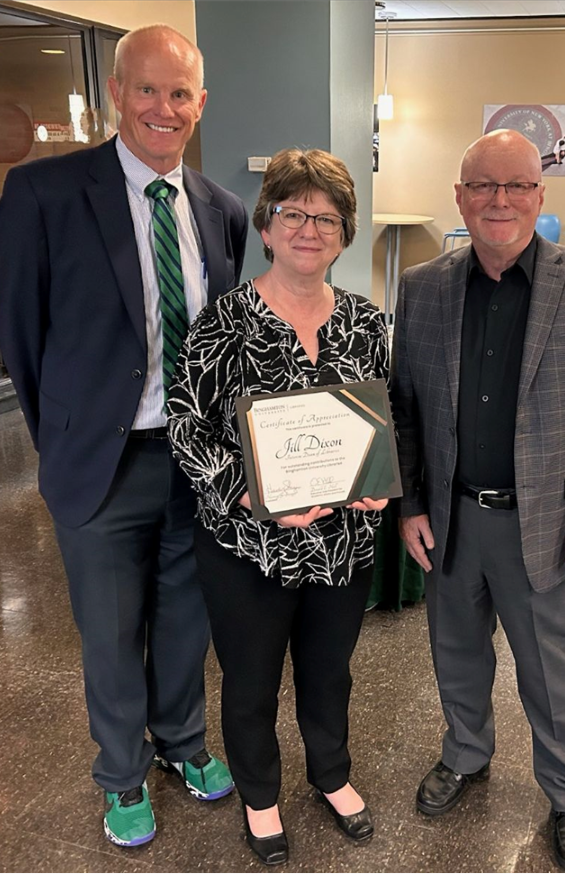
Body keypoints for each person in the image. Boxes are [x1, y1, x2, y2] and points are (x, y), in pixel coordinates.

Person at [0, 24, 248, 848]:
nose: (163, 109)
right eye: (147, 89)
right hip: (101, 461)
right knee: (108, 627)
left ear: (200, 104)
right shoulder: (45, 195)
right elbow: (21, 338)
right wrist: (64, 434)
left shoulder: (222, 210)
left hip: (196, 459)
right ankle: (120, 772)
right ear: (116, 94)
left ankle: (180, 743)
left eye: (180, 94)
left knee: (186, 618)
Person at [390, 129, 565, 874]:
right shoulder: (425, 285)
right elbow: (404, 406)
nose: (500, 200)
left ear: (541, 194)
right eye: (484, 185)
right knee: (456, 651)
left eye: (517, 186)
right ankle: (465, 753)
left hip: (550, 523)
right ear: (460, 196)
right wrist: (410, 504)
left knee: (552, 667)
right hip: (452, 516)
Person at [167, 148, 388, 867]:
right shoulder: (222, 321)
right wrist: (248, 491)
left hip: (341, 543)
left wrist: (382, 474)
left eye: (326, 217)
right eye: (292, 212)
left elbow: (386, 422)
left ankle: (331, 773)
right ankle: (261, 794)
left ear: (345, 234)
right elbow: (185, 425)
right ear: (266, 225)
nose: (308, 228)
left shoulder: (365, 321)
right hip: (245, 544)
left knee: (330, 671)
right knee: (252, 677)